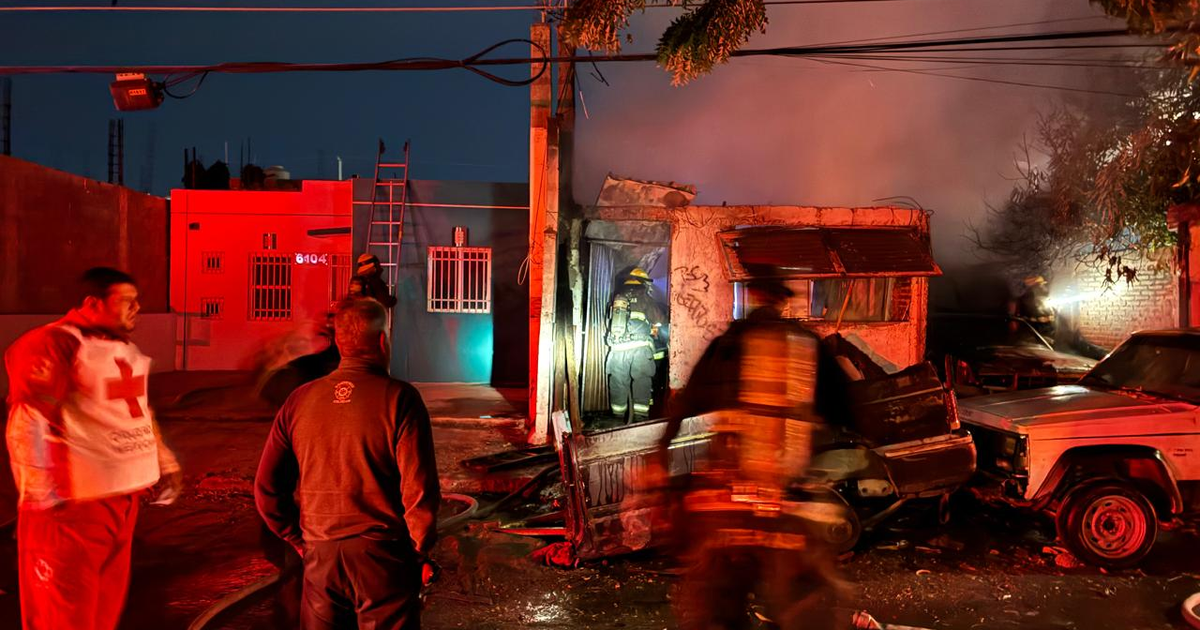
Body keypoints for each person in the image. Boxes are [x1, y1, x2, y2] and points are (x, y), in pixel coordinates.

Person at [654, 274, 840, 630]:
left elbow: (685, 405)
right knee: (801, 604)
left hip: (726, 501)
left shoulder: (726, 345)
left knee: (715, 605)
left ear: (751, 298)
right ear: (783, 302)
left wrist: (661, 457)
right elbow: (847, 412)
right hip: (788, 502)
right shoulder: (808, 345)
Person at [4, 267, 183, 630]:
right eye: (127, 301)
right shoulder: (53, 343)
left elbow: (137, 413)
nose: (137, 309)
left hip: (118, 505)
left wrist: (162, 463)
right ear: (92, 303)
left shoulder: (122, 349)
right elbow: (28, 418)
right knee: (64, 617)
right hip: (72, 509)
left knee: (102, 613)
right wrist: (41, 498)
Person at [255, 298, 440, 630]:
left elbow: (267, 488)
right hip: (382, 557)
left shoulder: (298, 400)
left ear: (339, 341)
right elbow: (419, 492)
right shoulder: (400, 398)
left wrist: (299, 541)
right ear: (383, 340)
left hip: (320, 557)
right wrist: (417, 553)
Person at [605, 268, 667, 422]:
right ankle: (640, 417)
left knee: (618, 381)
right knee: (642, 380)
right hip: (640, 348)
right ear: (642, 282)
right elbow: (659, 320)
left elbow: (608, 320)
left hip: (618, 349)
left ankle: (617, 416)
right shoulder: (645, 297)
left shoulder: (617, 297)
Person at [1016, 275, 1057, 343]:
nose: (1042, 286)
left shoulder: (1042, 297)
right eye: (1040, 284)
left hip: (1038, 330)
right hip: (1038, 331)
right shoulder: (1031, 298)